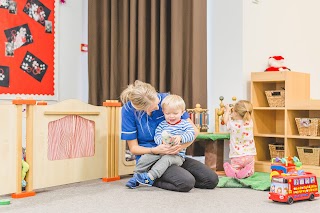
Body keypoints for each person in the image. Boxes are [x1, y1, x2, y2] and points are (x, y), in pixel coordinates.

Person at [120, 80, 218, 192]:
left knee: (211, 180)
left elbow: (194, 131)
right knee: (186, 183)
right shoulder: (128, 110)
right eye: (154, 106)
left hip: (174, 154)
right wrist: (155, 149)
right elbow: (134, 149)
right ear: (142, 109)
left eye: (158, 102)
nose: (158, 108)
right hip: (151, 158)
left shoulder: (168, 101)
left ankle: (172, 174)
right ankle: (147, 178)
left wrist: (179, 146)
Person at [132, 94, 195, 187]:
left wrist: (180, 138)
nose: (171, 116)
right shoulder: (162, 125)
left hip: (176, 156)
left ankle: (150, 177)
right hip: (161, 152)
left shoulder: (185, 124)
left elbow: (191, 135)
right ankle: (136, 176)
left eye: (175, 113)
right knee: (146, 157)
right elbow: (157, 136)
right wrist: (162, 141)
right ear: (163, 112)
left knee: (166, 160)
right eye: (168, 113)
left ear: (182, 112)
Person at [223, 100, 256, 179]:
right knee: (251, 171)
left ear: (236, 113)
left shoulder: (232, 124)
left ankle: (235, 172)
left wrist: (227, 110)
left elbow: (225, 120)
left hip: (236, 156)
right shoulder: (250, 122)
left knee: (235, 168)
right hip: (250, 155)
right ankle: (247, 171)